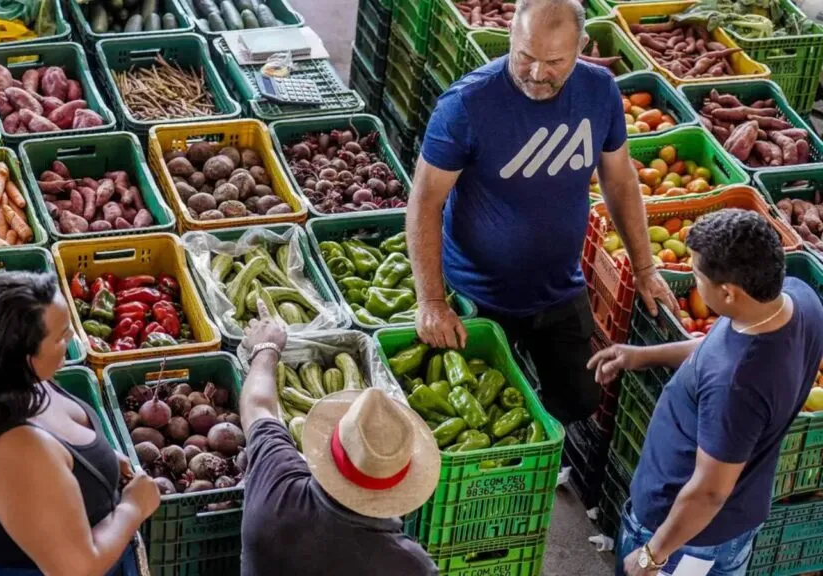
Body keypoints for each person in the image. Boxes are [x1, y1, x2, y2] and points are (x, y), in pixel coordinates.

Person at [407, 0, 676, 424]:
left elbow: (620, 180)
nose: (536, 73)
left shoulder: (599, 90)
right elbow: (425, 202)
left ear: (581, 46)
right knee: (477, 412)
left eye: (554, 62)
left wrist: (644, 268)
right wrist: (433, 301)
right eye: (525, 57)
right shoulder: (467, 104)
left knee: (581, 399)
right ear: (511, 36)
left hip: (559, 288)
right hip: (477, 295)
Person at [588, 210, 823, 576]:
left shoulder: (738, 386)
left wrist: (654, 554)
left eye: (698, 276)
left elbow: (709, 491)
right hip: (736, 515)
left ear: (729, 292)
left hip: (689, 539)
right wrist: (644, 356)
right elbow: (716, 347)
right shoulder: (798, 299)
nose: (695, 284)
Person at [0, 272, 162, 576]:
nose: (72, 340)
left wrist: (96, 461)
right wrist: (133, 507)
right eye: (61, 336)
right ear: (25, 356)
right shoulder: (16, 454)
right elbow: (77, 569)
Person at [238, 300, 441, 576]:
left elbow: (258, 406)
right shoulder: (409, 566)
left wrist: (266, 349)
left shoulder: (276, 493)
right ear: (401, 483)